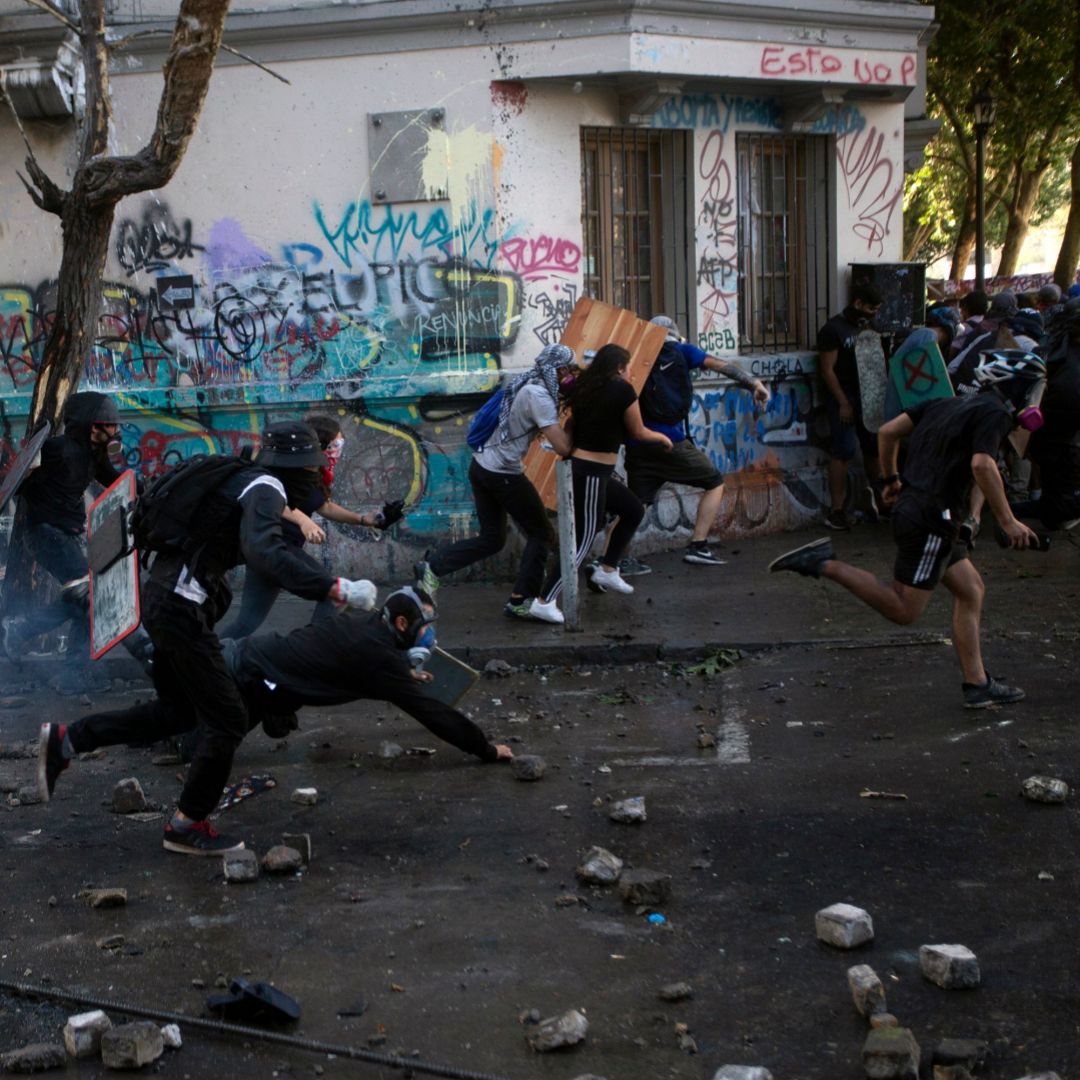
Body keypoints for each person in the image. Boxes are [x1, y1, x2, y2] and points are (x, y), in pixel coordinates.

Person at [81, 420, 376, 855]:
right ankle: (185, 825)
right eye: (313, 469)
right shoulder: (267, 488)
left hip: (171, 600)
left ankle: (70, 740)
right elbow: (265, 551)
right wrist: (336, 587)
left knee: (180, 710)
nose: (316, 476)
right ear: (297, 468)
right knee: (227, 717)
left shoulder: (242, 476)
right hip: (178, 606)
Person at [37, 584, 513, 815]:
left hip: (244, 665)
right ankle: (187, 824)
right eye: (426, 628)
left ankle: (68, 739)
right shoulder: (378, 657)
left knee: (168, 715)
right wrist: (485, 748)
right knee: (175, 704)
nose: (431, 636)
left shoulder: (362, 633)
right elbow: (429, 710)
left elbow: (343, 659)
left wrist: (404, 669)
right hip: (238, 672)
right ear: (404, 627)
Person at [769, 351, 1045, 709]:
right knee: (903, 609)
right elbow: (983, 464)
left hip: (920, 509)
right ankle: (823, 563)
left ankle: (977, 684)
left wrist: (890, 479)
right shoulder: (995, 414)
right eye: (1036, 389)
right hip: (933, 518)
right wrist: (1007, 520)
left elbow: (887, 431)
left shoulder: (947, 404)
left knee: (971, 589)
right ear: (1020, 387)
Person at [1, 391, 152, 689]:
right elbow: (20, 481)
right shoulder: (57, 450)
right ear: (91, 426)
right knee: (91, 595)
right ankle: (78, 661)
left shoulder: (93, 456)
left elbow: (119, 482)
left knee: (84, 600)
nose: (116, 431)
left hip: (66, 536)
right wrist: (28, 477)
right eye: (110, 425)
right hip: (45, 534)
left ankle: (65, 665)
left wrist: (152, 490)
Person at [420, 345, 574, 620]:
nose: (568, 376)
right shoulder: (538, 395)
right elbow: (563, 447)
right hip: (503, 473)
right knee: (541, 534)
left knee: (493, 539)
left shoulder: (527, 382)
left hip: (482, 466)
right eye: (567, 370)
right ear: (558, 369)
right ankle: (521, 600)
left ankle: (432, 566)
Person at [219, 413, 404, 639]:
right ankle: (313, 647)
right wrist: (302, 520)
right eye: (336, 443)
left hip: (273, 554)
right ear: (320, 443)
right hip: (276, 546)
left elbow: (324, 506)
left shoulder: (311, 471)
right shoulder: (283, 470)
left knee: (246, 623)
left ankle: (212, 658)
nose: (339, 448)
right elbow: (271, 499)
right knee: (333, 594)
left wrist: (365, 520)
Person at [612, 315, 769, 573]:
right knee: (714, 481)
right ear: (675, 333)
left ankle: (613, 561)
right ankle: (698, 545)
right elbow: (719, 365)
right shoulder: (682, 351)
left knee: (635, 503)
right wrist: (753, 383)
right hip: (669, 442)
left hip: (637, 443)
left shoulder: (634, 356)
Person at [528, 344, 672, 624]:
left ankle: (608, 568)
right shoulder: (622, 390)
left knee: (632, 510)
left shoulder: (584, 388)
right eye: (629, 368)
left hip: (590, 471)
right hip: (592, 472)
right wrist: (663, 438)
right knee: (583, 537)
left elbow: (568, 405)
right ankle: (544, 600)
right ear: (620, 367)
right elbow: (638, 431)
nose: (631, 373)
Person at [817, 282, 885, 530]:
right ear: (857, 303)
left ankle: (882, 501)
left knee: (873, 451)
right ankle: (836, 510)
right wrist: (843, 403)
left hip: (869, 397)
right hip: (844, 397)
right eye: (870, 308)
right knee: (843, 452)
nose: (873, 313)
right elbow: (827, 370)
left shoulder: (871, 326)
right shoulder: (833, 329)